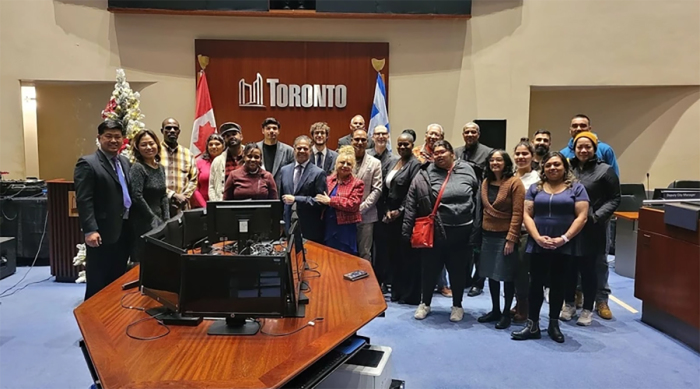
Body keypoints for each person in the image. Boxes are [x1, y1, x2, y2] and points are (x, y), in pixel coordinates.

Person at [511, 151, 589, 343]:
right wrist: (537, 237)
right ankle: (533, 325)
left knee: (558, 285)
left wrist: (563, 238)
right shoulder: (536, 188)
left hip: (564, 244)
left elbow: (582, 216)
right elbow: (526, 214)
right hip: (538, 243)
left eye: (557, 165)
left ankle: (553, 324)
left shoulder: (576, 189)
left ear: (564, 167)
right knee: (535, 284)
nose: (553, 168)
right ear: (543, 169)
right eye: (548, 165)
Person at [403, 140, 481, 322]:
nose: (438, 155)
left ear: (452, 154)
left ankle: (457, 306)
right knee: (430, 269)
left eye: (442, 152)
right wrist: (406, 231)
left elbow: (477, 197)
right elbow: (411, 201)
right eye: (435, 153)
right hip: (436, 231)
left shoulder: (468, 169)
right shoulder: (425, 173)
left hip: (462, 231)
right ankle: (425, 303)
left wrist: (477, 229)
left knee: (458, 271)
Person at [561, 132, 620, 325]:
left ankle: (587, 309)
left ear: (594, 149)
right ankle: (569, 304)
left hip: (592, 228)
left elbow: (614, 199)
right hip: (568, 226)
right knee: (569, 269)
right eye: (580, 147)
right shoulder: (567, 168)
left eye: (587, 147)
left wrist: (596, 217)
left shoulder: (605, 170)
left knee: (589, 270)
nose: (583, 150)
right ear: (574, 149)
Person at [73, 120, 132, 300]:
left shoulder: (125, 162)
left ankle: (111, 321)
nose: (113, 140)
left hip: (124, 229)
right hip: (101, 232)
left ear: (123, 139)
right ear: (99, 138)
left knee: (117, 278)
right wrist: (90, 229)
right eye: (108, 136)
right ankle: (92, 323)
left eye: (117, 136)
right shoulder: (88, 163)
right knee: (98, 280)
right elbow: (84, 199)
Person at [476, 150, 524, 330]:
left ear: (506, 163)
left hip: (505, 237)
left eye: (498, 160)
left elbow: (518, 213)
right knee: (491, 275)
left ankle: (505, 313)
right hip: (487, 236)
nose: (495, 163)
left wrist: (511, 238)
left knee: (506, 276)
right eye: (492, 160)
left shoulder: (515, 183)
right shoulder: (486, 182)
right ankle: (495, 309)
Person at [412, 123, 452, 297]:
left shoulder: (442, 156)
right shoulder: (415, 153)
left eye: (437, 134)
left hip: (439, 207)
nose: (433, 137)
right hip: (419, 205)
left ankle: (442, 284)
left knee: (440, 248)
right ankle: (423, 284)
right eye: (431, 134)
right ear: (425, 135)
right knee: (421, 247)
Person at [455, 122, 494, 298]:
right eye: (467, 132)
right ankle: (464, 278)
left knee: (478, 245)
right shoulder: (456, 152)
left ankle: (479, 281)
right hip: (460, 204)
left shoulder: (488, 153)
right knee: (462, 246)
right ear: (463, 134)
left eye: (473, 132)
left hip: (480, 203)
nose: (470, 134)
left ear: (478, 134)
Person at [383, 132, 422, 304]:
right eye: (400, 144)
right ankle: (396, 291)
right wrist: (386, 210)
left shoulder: (416, 165)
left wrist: (400, 210)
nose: (403, 147)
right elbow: (385, 189)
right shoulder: (393, 162)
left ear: (412, 145)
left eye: (406, 144)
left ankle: (409, 294)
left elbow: (413, 192)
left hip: (406, 216)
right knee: (393, 255)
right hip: (390, 216)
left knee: (407, 256)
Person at [128, 129, 169, 263]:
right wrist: (152, 219)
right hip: (143, 221)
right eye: (143, 145)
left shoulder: (161, 168)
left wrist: (167, 219)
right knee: (143, 260)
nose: (149, 147)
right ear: (137, 148)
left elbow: (163, 195)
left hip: (159, 221)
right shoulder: (138, 168)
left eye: (151, 143)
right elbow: (136, 196)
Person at [511, 138, 540, 323]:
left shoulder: (537, 179)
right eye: (518, 154)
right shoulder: (511, 176)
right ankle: (517, 301)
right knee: (512, 270)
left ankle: (524, 305)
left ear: (532, 156)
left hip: (527, 232)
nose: (521, 157)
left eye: (525, 154)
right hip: (509, 230)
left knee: (523, 271)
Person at [315, 146, 364, 255]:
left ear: (353, 167)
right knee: (329, 256)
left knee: (345, 257)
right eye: (342, 162)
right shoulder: (328, 180)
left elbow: (353, 204)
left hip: (345, 228)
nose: (345, 166)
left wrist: (330, 201)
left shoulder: (357, 183)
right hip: (329, 225)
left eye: (349, 164)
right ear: (336, 164)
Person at [278, 135, 328, 243]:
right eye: (299, 148)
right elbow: (280, 199)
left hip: (310, 227)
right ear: (294, 149)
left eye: (305, 148)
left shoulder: (318, 173)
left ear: (310, 151)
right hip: (288, 225)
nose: (302, 151)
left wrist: (296, 199)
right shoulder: (284, 170)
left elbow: (321, 202)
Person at [351, 129, 383, 262]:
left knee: (365, 253)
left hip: (366, 216)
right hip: (345, 215)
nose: (360, 142)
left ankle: (364, 283)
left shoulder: (375, 163)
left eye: (363, 140)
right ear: (351, 141)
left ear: (368, 141)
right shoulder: (344, 159)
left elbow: (377, 189)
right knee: (347, 252)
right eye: (357, 139)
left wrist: (361, 208)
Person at [159, 118, 198, 215]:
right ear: (162, 131)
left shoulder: (188, 153)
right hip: (160, 205)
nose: (172, 131)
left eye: (175, 128)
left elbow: (193, 179)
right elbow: (154, 179)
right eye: (168, 128)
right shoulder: (155, 152)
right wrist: (172, 195)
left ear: (178, 132)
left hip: (182, 206)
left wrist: (184, 197)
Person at [209, 122, 244, 202]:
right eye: (227, 136)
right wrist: (216, 203)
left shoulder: (251, 156)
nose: (231, 137)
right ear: (224, 140)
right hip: (224, 205)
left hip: (247, 204)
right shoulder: (218, 161)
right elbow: (212, 186)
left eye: (234, 134)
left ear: (241, 136)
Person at [256, 117, 294, 190]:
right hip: (259, 191)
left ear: (278, 131)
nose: (271, 131)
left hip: (281, 192)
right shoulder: (255, 148)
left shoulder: (289, 151)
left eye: (274, 128)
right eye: (268, 128)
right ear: (263, 131)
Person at [192, 133, 224, 208]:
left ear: (223, 146)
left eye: (217, 144)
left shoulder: (227, 162)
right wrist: (205, 206)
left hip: (224, 206)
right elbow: (195, 188)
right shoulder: (199, 163)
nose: (213, 147)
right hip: (203, 206)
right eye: (210, 144)